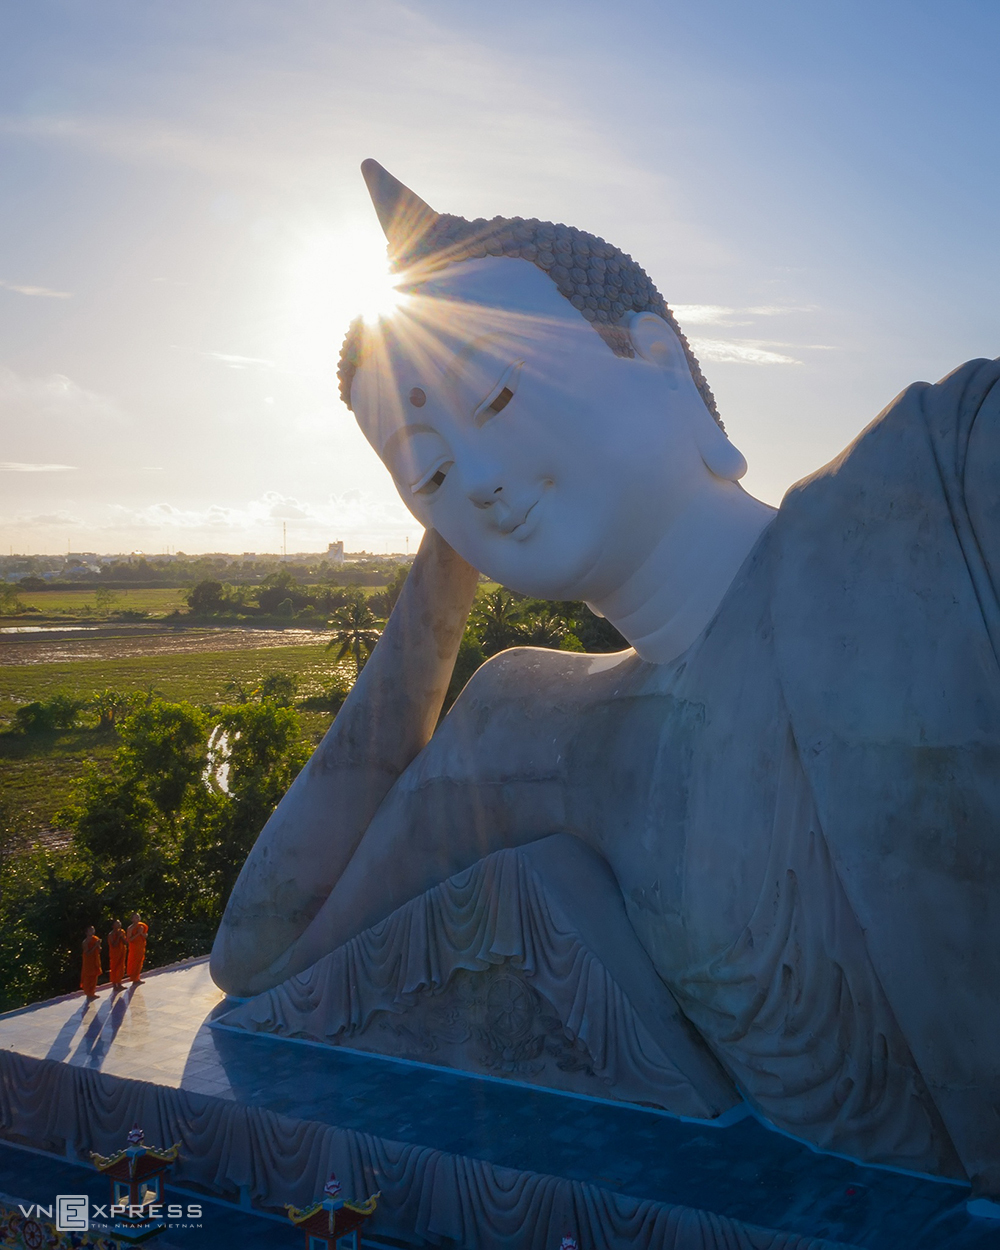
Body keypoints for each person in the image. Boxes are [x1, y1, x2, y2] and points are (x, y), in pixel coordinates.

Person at [212, 162, 1000, 1197]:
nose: (481, 480)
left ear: (659, 355)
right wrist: (445, 559)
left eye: (497, 392)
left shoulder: (943, 471)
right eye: (430, 473)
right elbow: (261, 955)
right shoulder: (541, 725)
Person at [126, 912, 148, 984]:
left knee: (139, 962)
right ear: (132, 919)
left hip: (140, 946)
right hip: (134, 947)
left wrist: (141, 933)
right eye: (135, 917)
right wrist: (138, 933)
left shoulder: (142, 926)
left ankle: (137, 978)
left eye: (138, 917)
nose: (137, 919)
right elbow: (129, 940)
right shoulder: (130, 928)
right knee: (134, 962)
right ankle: (134, 979)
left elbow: (145, 936)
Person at [80, 926, 101, 1000]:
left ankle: (92, 993)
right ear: (86, 932)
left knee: (94, 977)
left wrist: (98, 945)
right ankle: (88, 994)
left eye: (93, 929)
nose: (92, 931)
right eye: (90, 930)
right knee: (88, 977)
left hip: (95, 960)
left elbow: (99, 950)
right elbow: (87, 953)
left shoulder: (95, 939)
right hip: (88, 961)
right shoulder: (85, 942)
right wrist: (95, 945)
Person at [107, 919, 127, 991]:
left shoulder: (122, 932)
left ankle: (119, 983)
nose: (119, 924)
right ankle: (114, 985)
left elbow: (125, 942)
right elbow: (114, 945)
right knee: (114, 968)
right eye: (117, 923)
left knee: (121, 968)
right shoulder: (111, 935)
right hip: (114, 954)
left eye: (119, 923)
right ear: (113, 926)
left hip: (122, 952)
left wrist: (121, 936)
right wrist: (118, 936)